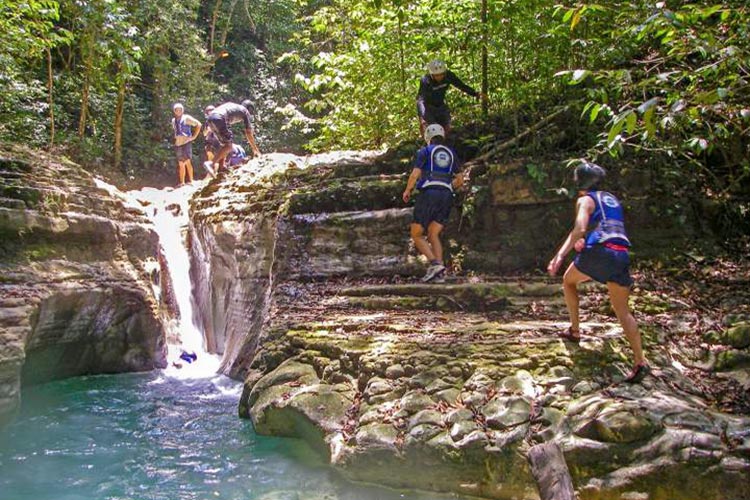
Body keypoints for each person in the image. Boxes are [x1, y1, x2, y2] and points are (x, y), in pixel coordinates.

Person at [546, 161, 649, 383]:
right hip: (620, 253)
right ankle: (640, 360)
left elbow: (580, 228)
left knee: (568, 281)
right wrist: (584, 242)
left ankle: (575, 330)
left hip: (601, 252)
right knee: (623, 311)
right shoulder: (611, 199)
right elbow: (607, 229)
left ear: (580, 184)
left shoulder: (585, 199)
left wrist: (559, 256)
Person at [402, 123, 463, 283]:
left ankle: (435, 264)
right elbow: (460, 179)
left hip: (429, 193)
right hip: (447, 194)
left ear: (427, 137)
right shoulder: (451, 153)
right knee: (433, 233)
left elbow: (415, 174)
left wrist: (408, 190)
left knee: (416, 234)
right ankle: (440, 273)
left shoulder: (425, 151)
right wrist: (448, 186)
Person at [416, 59, 485, 137]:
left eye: (441, 74)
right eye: (436, 75)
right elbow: (420, 99)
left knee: (447, 130)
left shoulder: (448, 76)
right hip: (427, 107)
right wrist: (422, 117)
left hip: (440, 106)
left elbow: (460, 85)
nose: (439, 77)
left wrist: (475, 93)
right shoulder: (426, 81)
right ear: (431, 74)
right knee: (433, 131)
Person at [205, 100, 261, 173]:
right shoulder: (245, 111)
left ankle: (221, 168)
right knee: (229, 146)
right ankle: (211, 164)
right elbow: (248, 132)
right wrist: (255, 150)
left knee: (225, 145)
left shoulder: (233, 107)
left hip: (211, 118)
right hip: (219, 118)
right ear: (249, 109)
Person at [171, 103, 202, 185]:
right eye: (176, 110)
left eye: (180, 109)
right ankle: (182, 182)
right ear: (174, 111)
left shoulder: (186, 118)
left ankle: (191, 180)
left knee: (187, 161)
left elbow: (198, 124)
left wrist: (194, 137)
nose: (178, 111)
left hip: (186, 142)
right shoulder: (173, 120)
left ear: (182, 110)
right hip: (178, 143)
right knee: (180, 163)